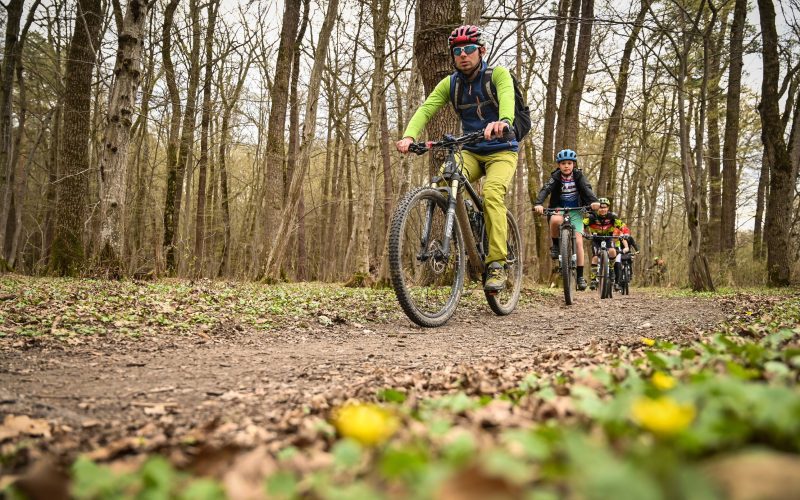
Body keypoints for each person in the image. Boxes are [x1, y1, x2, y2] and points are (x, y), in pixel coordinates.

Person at [396, 25, 519, 292]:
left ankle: (497, 264)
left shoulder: (497, 74)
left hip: (502, 150)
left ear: (481, 51)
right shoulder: (449, 84)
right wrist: (409, 136)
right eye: (457, 51)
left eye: (469, 49)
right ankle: (468, 228)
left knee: (493, 195)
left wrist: (504, 121)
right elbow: (427, 108)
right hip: (471, 150)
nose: (463, 55)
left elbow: (507, 96)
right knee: (443, 179)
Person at [533, 149, 600, 290]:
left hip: (576, 210)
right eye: (563, 163)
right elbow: (546, 189)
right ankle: (556, 245)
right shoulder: (556, 176)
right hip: (559, 208)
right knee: (555, 220)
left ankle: (580, 276)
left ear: (574, 164)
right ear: (559, 165)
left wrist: (594, 202)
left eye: (569, 163)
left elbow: (587, 189)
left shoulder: (579, 175)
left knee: (579, 242)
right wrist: (539, 203)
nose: (566, 166)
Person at [582, 197, 626, 289]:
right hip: (596, 239)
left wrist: (625, 234)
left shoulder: (612, 216)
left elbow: (622, 225)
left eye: (604, 207)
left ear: (608, 208)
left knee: (613, 252)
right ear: (598, 208)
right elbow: (582, 224)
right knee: (595, 257)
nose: (602, 209)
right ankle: (593, 279)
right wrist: (583, 233)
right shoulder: (592, 216)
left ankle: (611, 268)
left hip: (608, 238)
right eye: (600, 207)